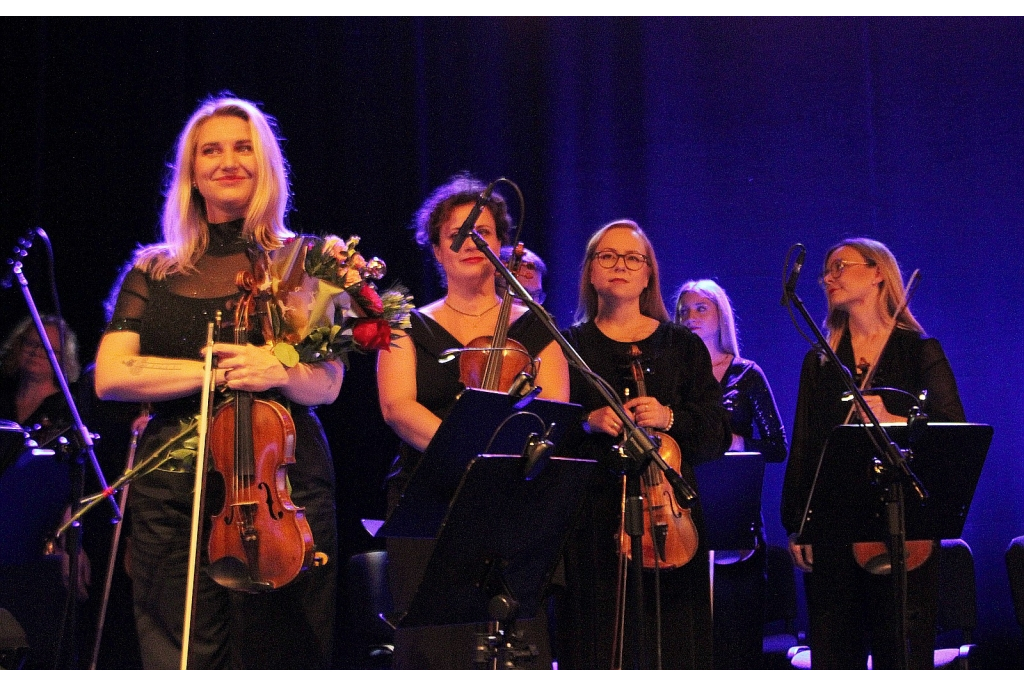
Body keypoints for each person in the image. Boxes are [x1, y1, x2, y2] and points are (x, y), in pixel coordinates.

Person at [94, 95, 343, 669]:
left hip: (279, 483)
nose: (228, 161)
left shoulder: (306, 260)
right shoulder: (154, 268)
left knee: (280, 655)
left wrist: (280, 371)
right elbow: (111, 375)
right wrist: (222, 370)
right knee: (178, 653)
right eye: (211, 150)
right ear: (192, 173)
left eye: (243, 148)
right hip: (172, 489)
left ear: (266, 165)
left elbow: (327, 385)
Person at [376, 173, 570, 668]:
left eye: (482, 231)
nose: (469, 243)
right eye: (455, 234)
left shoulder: (535, 325)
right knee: (436, 653)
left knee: (515, 649)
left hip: (513, 504)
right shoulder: (406, 326)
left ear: (502, 246)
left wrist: (499, 468)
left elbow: (551, 414)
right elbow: (399, 408)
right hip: (430, 502)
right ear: (437, 250)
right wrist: (471, 455)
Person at [780, 237, 965, 669]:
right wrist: (796, 524)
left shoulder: (920, 350)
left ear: (878, 271)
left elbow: (954, 428)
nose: (827, 278)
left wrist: (895, 419)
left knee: (901, 652)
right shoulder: (821, 361)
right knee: (834, 654)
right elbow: (805, 445)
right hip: (833, 523)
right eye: (825, 271)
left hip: (904, 525)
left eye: (839, 266)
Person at [557, 220, 731, 670]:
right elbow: (549, 434)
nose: (620, 266)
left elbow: (716, 432)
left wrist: (670, 418)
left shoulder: (682, 345)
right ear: (591, 272)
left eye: (633, 258)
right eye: (608, 256)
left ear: (648, 273)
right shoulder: (568, 346)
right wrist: (588, 421)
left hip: (671, 520)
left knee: (674, 647)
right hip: (595, 521)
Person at [675, 279, 788, 668]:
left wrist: (738, 441)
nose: (690, 317)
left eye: (700, 308)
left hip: (735, 515)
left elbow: (777, 447)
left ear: (720, 315)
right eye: (683, 311)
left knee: (736, 635)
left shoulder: (746, 374)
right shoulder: (675, 377)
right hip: (683, 511)